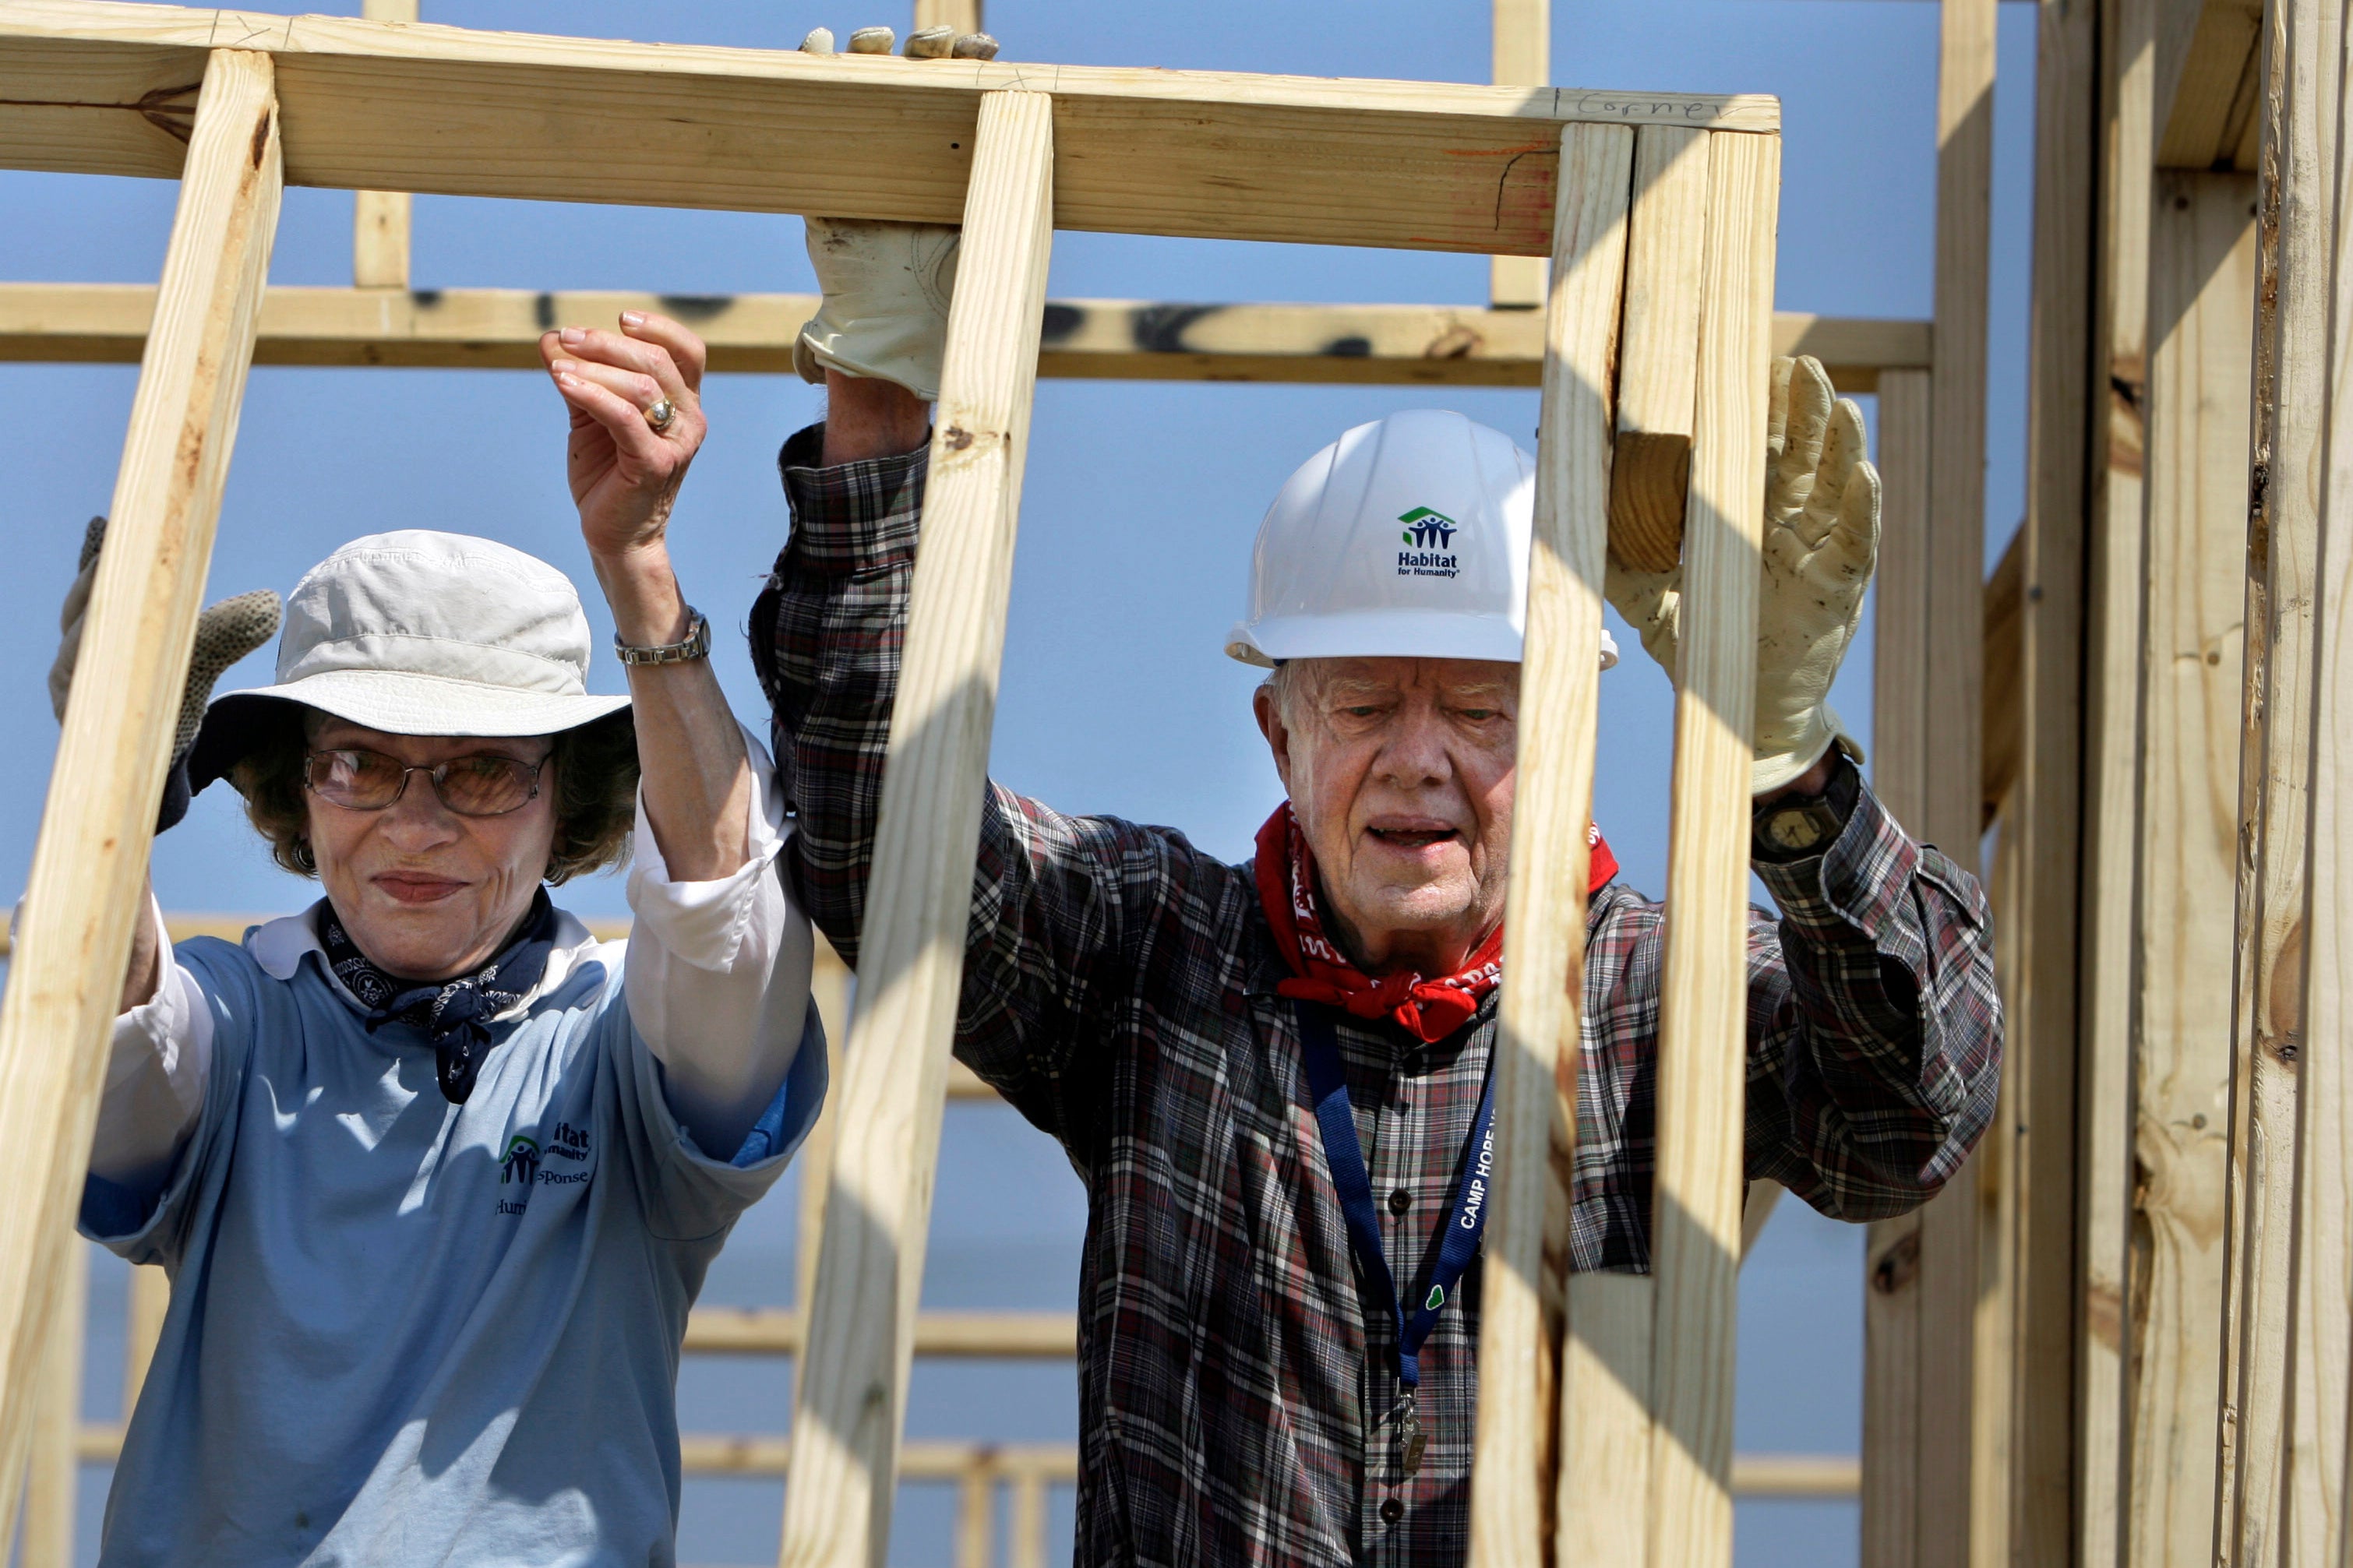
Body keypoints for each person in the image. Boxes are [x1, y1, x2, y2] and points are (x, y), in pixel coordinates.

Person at [743, 146, 2004, 1561]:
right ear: (1279, 733)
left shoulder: (1654, 991)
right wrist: (881, 411)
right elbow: (876, 839)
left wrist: (1788, 758)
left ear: (1569, 729)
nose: (1421, 757)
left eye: (1479, 708)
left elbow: (1914, 1107)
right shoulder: (1155, 955)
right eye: (1364, 704)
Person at [55, 313, 822, 1566]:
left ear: (563, 797)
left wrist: (638, 564)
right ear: (295, 790)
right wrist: (105, 780)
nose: (413, 822)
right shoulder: (237, 1016)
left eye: (475, 770)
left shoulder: (616, 1043)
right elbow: (114, 1060)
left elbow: (725, 921)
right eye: (358, 762)